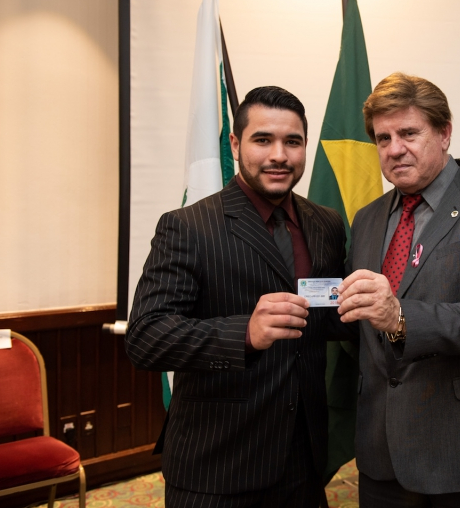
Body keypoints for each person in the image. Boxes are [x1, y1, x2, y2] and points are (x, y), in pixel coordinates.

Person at [126, 86, 348, 508]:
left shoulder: (326, 224)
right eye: (263, 139)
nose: (279, 155)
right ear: (235, 143)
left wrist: (376, 308)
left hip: (304, 461)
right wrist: (244, 333)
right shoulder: (188, 226)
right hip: (219, 465)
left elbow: (323, 314)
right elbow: (145, 337)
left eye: (293, 141)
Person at [337, 72, 460, 508]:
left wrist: (399, 317)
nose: (394, 149)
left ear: (445, 133)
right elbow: (361, 320)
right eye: (383, 138)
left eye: (409, 133)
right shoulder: (367, 218)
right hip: (382, 453)